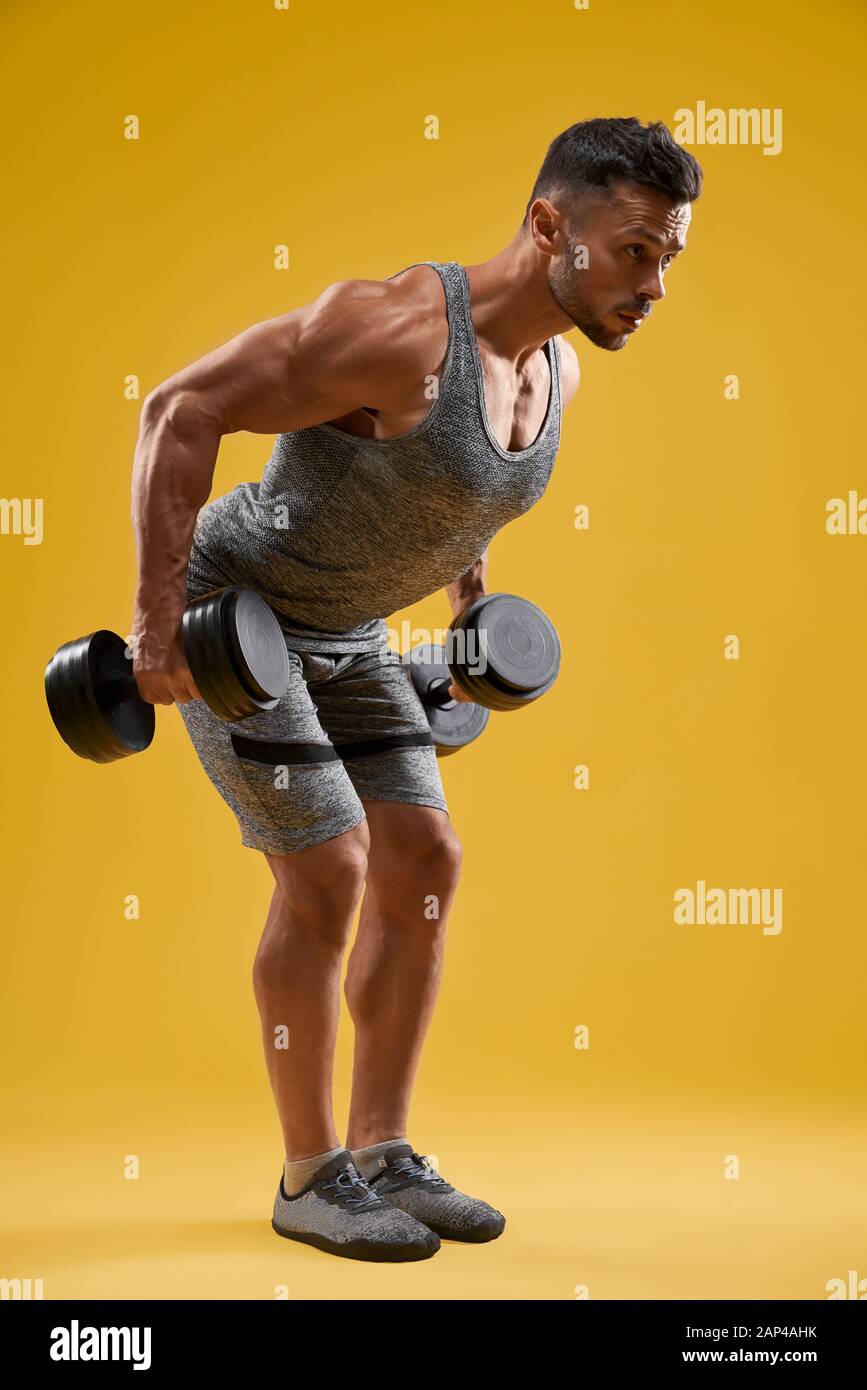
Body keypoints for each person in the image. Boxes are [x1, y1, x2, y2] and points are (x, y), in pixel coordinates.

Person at [129, 117, 702, 1262]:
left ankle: (385, 1151)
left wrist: (465, 598)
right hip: (242, 615)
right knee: (330, 865)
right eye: (637, 251)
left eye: (671, 259)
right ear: (550, 226)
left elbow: (462, 496)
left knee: (427, 859)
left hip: (346, 633)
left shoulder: (557, 367)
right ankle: (310, 1177)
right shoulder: (394, 331)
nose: (656, 284)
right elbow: (178, 412)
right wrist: (155, 628)